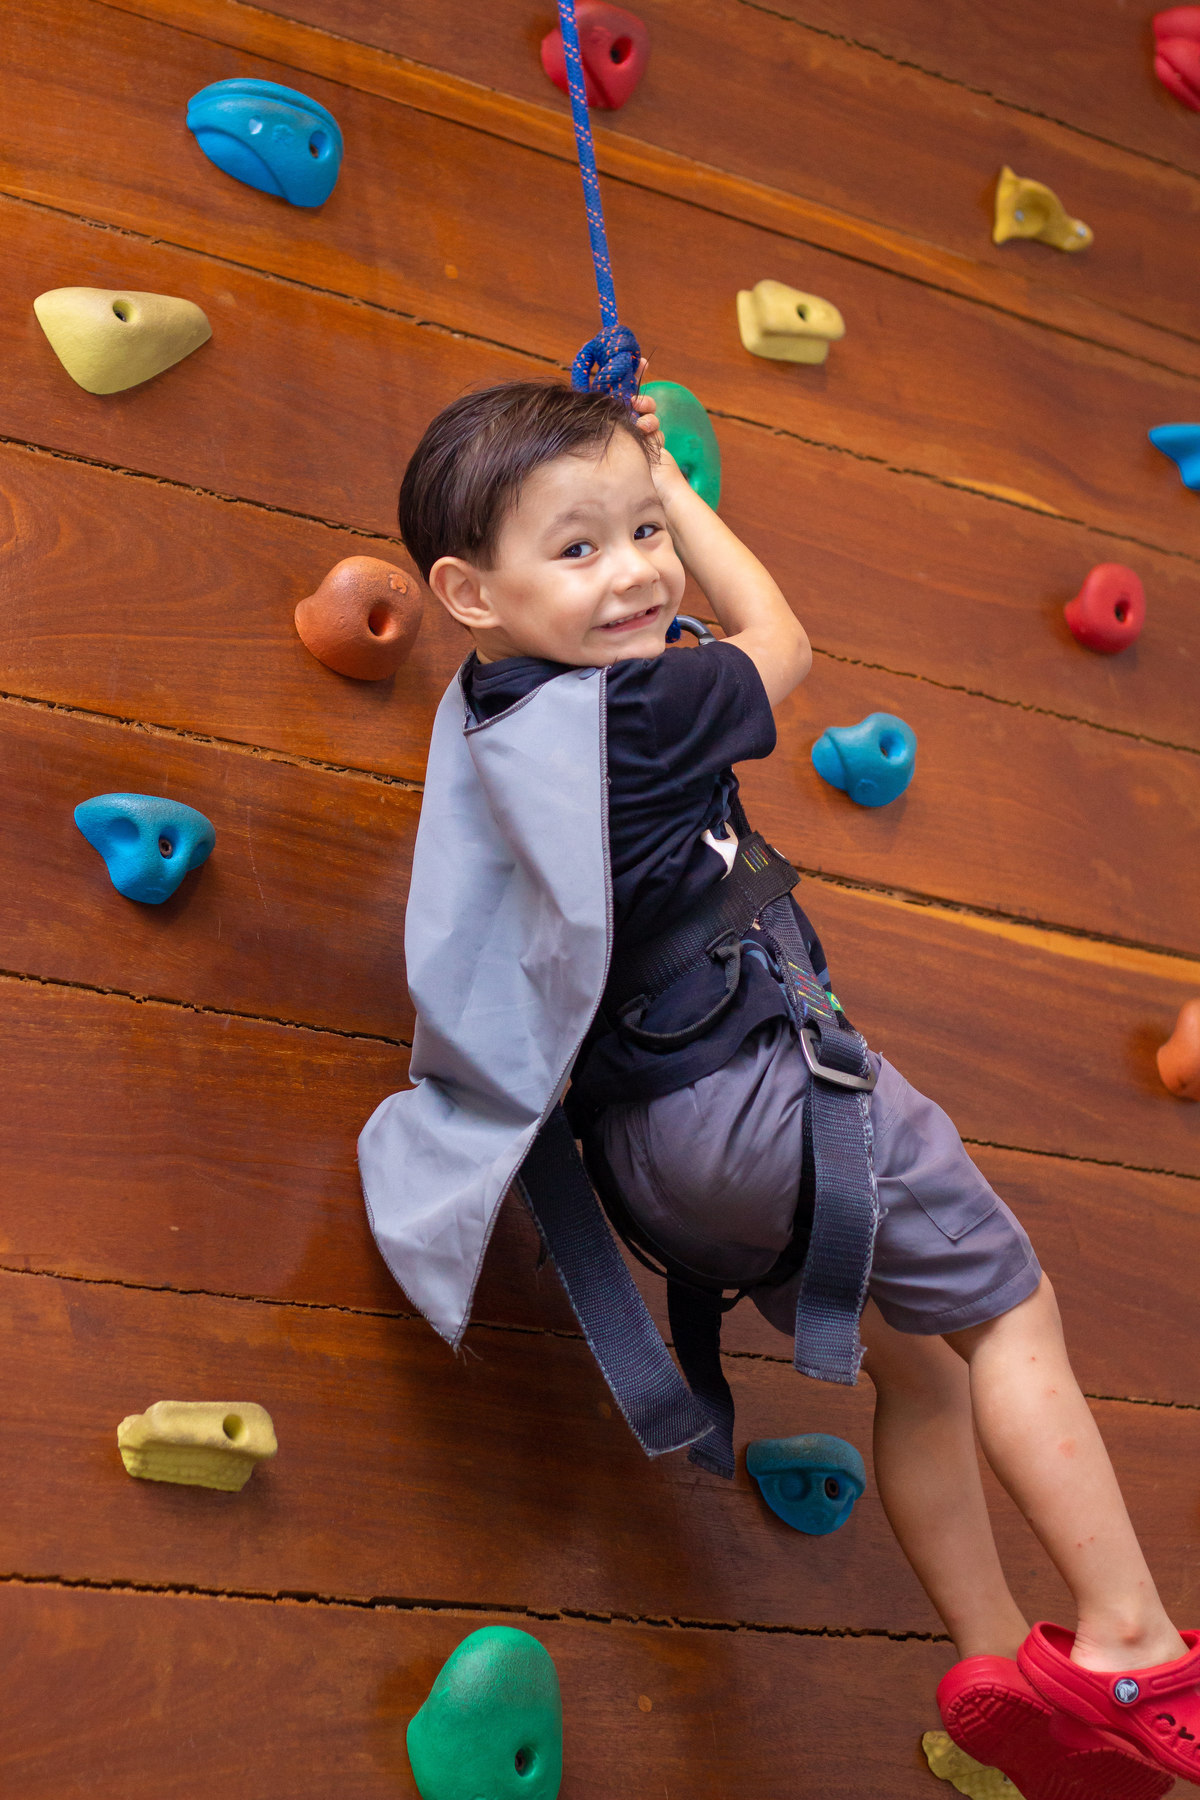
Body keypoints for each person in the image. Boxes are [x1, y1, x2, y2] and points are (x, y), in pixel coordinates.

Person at [358, 375, 1200, 1800]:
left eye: (641, 533)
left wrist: (619, 485)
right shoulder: (638, 708)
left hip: (656, 1158)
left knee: (919, 1362)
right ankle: (1131, 1638)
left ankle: (1002, 1659)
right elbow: (787, 643)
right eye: (579, 548)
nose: (632, 571)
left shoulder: (498, 716)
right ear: (468, 590)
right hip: (759, 1091)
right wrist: (677, 481)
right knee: (1013, 1315)